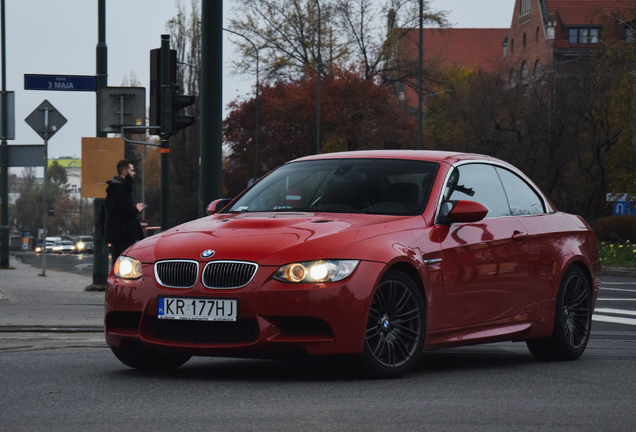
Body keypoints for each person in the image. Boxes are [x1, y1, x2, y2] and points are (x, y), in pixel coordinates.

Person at [104, 159, 146, 263]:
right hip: (124, 235)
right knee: (126, 264)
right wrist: (137, 209)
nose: (134, 173)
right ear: (124, 172)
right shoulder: (122, 189)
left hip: (114, 234)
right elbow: (126, 211)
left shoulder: (113, 189)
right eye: (132, 170)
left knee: (117, 263)